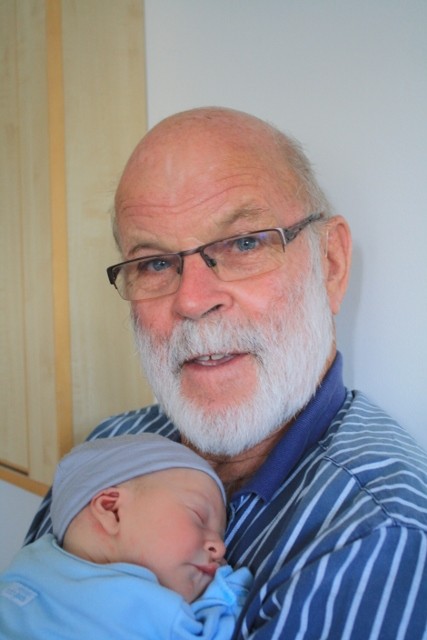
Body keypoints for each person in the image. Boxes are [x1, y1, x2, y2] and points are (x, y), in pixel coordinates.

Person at [26, 107, 427, 639]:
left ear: (330, 263)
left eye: (244, 243)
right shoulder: (109, 448)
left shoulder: (373, 535)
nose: (192, 301)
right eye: (155, 263)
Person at [0, 434, 252, 639]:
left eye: (220, 535)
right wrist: (228, 590)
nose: (220, 548)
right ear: (112, 510)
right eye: (198, 516)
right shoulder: (155, 608)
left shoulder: (28, 564)